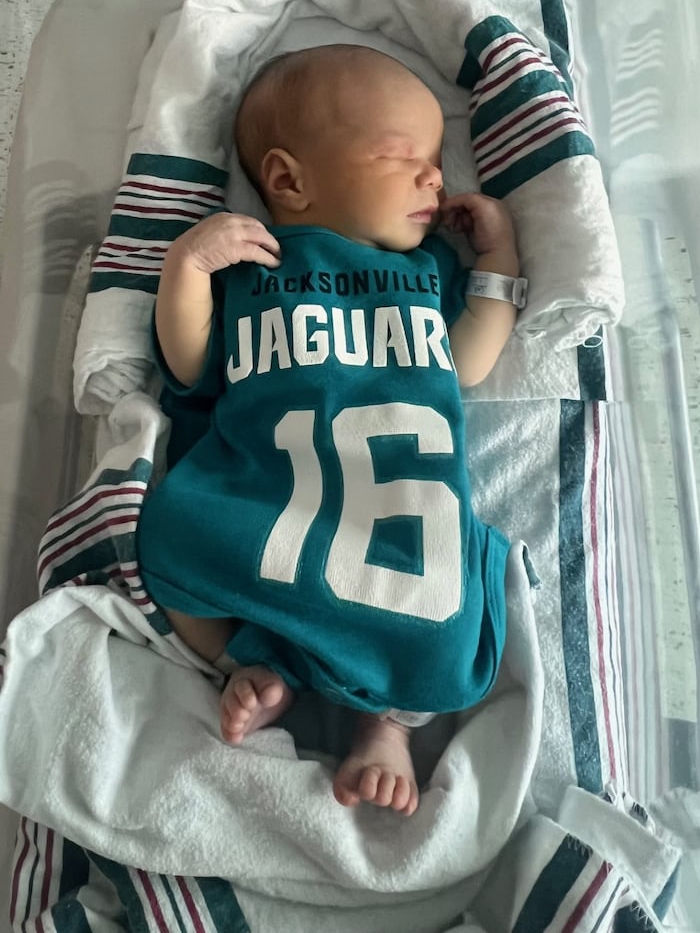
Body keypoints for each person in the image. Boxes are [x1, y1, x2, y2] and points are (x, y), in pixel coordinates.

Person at [137, 44, 523, 816]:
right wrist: (186, 267)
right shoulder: (252, 266)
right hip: (269, 505)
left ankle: (382, 728)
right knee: (169, 537)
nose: (435, 176)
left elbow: (471, 361)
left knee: (450, 632)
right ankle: (249, 658)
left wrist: (499, 258)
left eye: (438, 160)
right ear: (287, 180)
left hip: (396, 527)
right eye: (402, 155)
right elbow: (189, 362)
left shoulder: (428, 273)